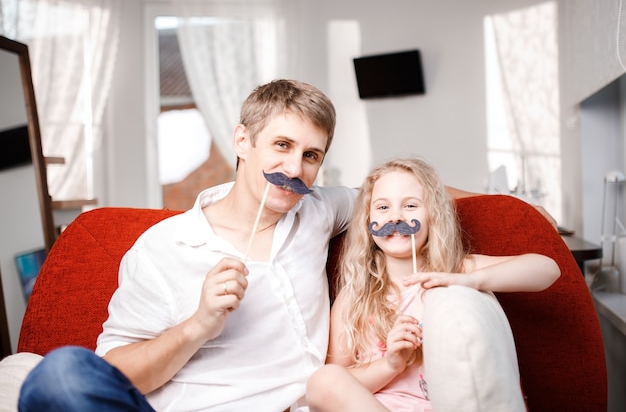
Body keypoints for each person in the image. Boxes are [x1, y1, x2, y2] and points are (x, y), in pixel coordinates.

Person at [16, 80, 558, 412]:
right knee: (59, 376)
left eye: (311, 155)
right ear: (242, 141)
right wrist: (198, 324)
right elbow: (116, 376)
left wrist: (507, 205)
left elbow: (393, 193)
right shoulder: (162, 246)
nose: (294, 169)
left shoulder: (318, 208)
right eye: (281, 145)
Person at [305, 157, 560, 412]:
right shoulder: (356, 295)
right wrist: (391, 364)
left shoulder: (454, 270)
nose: (396, 217)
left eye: (411, 205)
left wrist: (468, 280)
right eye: (383, 207)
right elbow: (338, 379)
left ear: (432, 216)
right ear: (367, 221)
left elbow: (547, 269)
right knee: (322, 380)